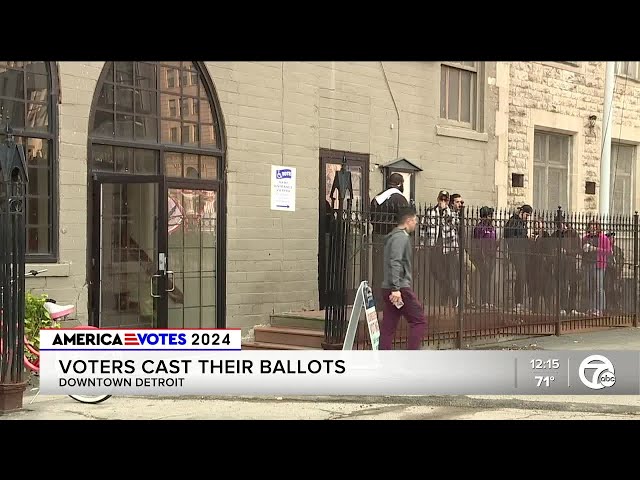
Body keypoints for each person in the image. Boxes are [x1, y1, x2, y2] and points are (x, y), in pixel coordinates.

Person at [380, 206, 427, 350]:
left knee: (389, 325)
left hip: (389, 287)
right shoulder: (400, 237)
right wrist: (396, 289)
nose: (416, 224)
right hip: (399, 288)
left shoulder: (393, 237)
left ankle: (383, 358)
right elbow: (395, 261)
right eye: (415, 221)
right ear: (408, 220)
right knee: (419, 321)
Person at [370, 173, 409, 312]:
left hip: (377, 239)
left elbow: (372, 219)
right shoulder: (400, 199)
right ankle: (394, 302)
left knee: (378, 271)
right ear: (400, 184)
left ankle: (377, 302)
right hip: (393, 240)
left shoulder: (376, 198)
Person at [422, 190, 460, 307]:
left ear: (448, 201)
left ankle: (444, 303)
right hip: (435, 245)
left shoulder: (451, 213)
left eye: (445, 200)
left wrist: (446, 212)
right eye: (441, 199)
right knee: (436, 271)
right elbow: (424, 228)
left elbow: (455, 224)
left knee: (448, 274)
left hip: (448, 246)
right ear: (438, 199)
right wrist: (422, 242)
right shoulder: (430, 212)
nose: (443, 202)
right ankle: (453, 293)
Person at [504, 204, 533, 312]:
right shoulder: (513, 222)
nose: (527, 217)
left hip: (523, 252)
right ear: (522, 212)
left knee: (523, 276)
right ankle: (518, 302)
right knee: (521, 276)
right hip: (516, 253)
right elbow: (511, 239)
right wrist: (525, 240)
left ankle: (520, 302)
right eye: (527, 214)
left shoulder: (522, 223)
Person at [552, 212, 582, 315]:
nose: (559, 227)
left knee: (573, 284)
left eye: (560, 224)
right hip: (559, 263)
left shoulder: (573, 233)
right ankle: (563, 307)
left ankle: (572, 307)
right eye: (557, 225)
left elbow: (579, 249)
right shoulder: (555, 235)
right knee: (562, 286)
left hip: (571, 262)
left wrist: (568, 252)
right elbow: (551, 249)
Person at [582, 219, 612, 316]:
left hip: (599, 264)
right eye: (591, 227)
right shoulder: (586, 238)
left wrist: (594, 249)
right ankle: (591, 308)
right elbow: (581, 250)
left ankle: (600, 308)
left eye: (595, 227)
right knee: (589, 287)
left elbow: (608, 251)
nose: (593, 228)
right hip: (588, 264)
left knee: (599, 287)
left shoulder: (603, 238)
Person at [470, 206, 498, 308]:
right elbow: (478, 243)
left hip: (491, 256)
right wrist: (483, 257)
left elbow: (494, 241)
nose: (491, 218)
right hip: (482, 257)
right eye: (489, 216)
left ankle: (488, 301)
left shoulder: (492, 228)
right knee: (484, 278)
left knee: (489, 278)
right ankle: (484, 301)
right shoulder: (479, 228)